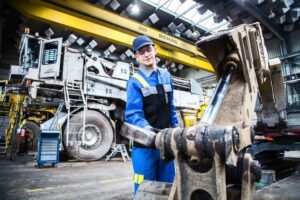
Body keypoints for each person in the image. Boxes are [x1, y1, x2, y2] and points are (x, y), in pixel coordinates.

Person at [125, 35, 178, 194]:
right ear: (136, 57)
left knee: (167, 186)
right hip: (144, 146)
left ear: (154, 50)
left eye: (148, 50)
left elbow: (171, 107)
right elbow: (133, 114)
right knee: (144, 188)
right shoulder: (134, 81)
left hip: (166, 144)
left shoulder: (166, 75)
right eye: (141, 52)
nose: (146, 54)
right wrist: (152, 133)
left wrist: (176, 130)